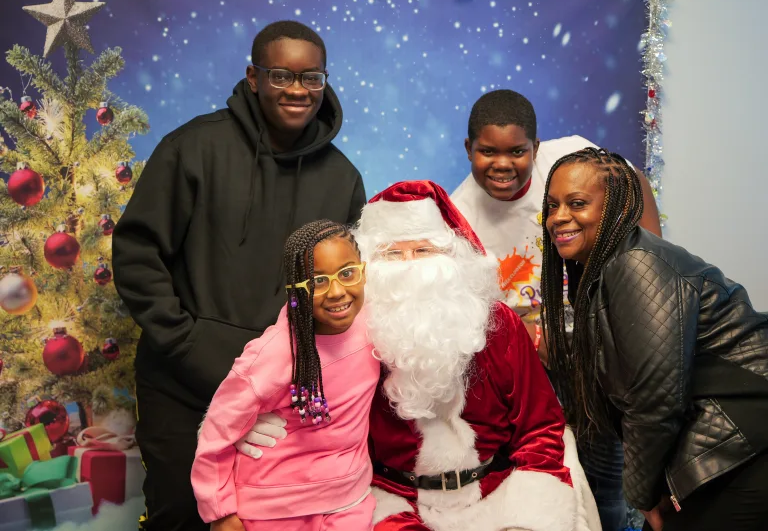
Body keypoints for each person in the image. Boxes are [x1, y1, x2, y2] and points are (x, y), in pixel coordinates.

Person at [112, 20, 366, 531]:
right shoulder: (193, 148)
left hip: (282, 394)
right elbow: (138, 254)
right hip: (183, 382)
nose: (297, 90)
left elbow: (346, 290)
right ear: (254, 77)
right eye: (281, 75)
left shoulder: (342, 179)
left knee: (260, 521)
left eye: (311, 77)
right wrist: (186, 345)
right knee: (181, 512)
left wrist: (295, 382)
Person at [240, 181, 601, 531]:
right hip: (393, 500)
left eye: (423, 251)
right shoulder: (348, 333)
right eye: (392, 254)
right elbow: (306, 397)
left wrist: (526, 513)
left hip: (496, 493)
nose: (409, 266)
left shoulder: (497, 323)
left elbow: (540, 428)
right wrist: (267, 418)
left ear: (453, 257)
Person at [450, 89, 662, 531]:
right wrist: (531, 337)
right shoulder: (459, 216)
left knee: (609, 472)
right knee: (552, 468)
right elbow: (474, 312)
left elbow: (635, 181)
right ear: (468, 149)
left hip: (601, 335)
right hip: (537, 358)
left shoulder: (570, 159)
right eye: (488, 151)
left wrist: (649, 256)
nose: (503, 164)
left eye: (517, 151)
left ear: (536, 147)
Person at [541, 147, 768, 531]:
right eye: (552, 206)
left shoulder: (636, 262)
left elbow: (654, 398)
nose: (559, 217)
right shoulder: (606, 267)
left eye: (577, 203)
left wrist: (642, 495)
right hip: (728, 441)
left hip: (747, 443)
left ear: (617, 207)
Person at [192, 220, 378, 531]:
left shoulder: (375, 326)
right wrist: (220, 511)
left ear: (363, 272)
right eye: (317, 281)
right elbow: (217, 430)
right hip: (273, 509)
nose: (336, 292)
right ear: (296, 290)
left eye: (347, 273)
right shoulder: (275, 355)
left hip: (350, 503)